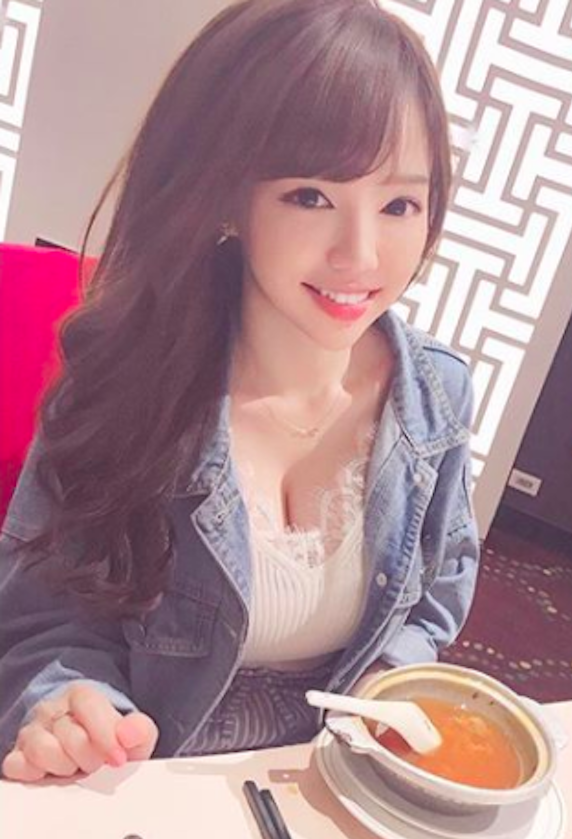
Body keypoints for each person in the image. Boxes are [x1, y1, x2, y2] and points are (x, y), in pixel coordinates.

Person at [0, 0, 478, 782]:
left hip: (331, 793)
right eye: (310, 196)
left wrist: (385, 687)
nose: (360, 255)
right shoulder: (128, 384)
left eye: (399, 205)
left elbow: (436, 594)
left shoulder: (435, 397)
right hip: (145, 790)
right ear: (228, 196)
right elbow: (43, 626)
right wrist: (74, 711)